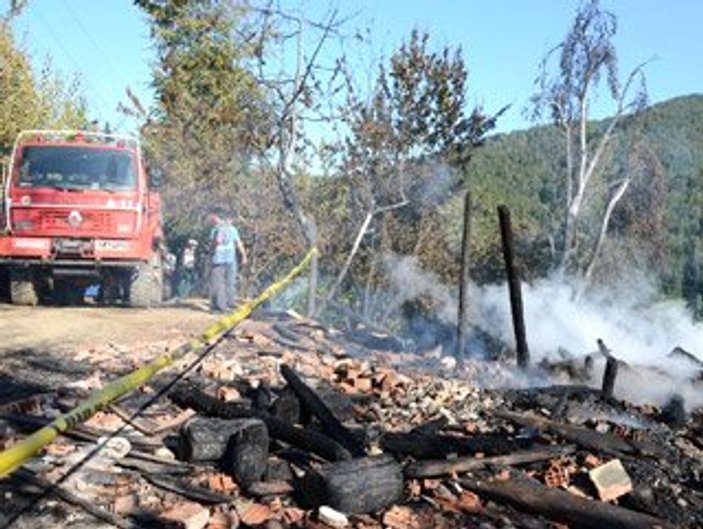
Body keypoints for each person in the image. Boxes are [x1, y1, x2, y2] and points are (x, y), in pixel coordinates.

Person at [209, 209, 247, 312]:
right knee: (230, 282)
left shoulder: (216, 229)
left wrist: (211, 250)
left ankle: (220, 306)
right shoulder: (233, 229)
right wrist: (244, 255)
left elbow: (217, 241)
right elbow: (238, 243)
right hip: (230, 258)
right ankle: (230, 303)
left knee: (218, 283)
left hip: (218, 259)